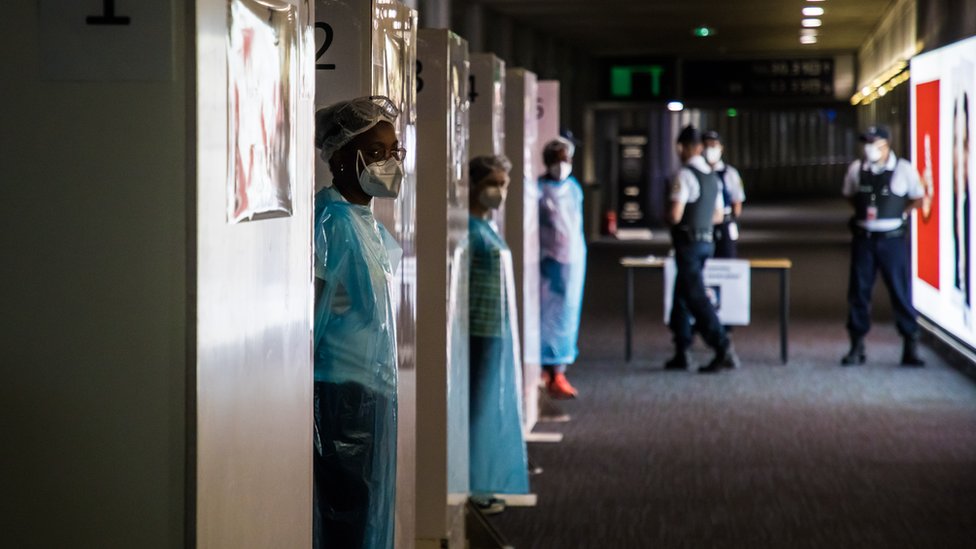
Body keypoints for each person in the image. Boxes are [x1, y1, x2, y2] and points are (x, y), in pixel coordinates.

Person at [312, 95, 404, 548]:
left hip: (372, 389)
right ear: (346, 157)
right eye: (380, 152)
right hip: (342, 394)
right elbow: (310, 320)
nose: (392, 163)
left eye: (395, 152)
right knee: (348, 517)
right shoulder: (328, 221)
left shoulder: (362, 220)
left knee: (369, 511)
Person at [467, 155, 530, 509]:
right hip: (477, 331)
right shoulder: (469, 232)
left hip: (494, 330)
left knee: (488, 404)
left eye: (504, 184)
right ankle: (474, 483)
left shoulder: (488, 227)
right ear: (474, 184)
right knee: (477, 408)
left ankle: (483, 479)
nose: (499, 191)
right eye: (494, 183)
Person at [841, 124, 926, 367]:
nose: (869, 148)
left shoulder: (903, 169)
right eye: (866, 142)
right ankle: (856, 345)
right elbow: (850, 194)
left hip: (892, 240)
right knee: (858, 291)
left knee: (900, 291)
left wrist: (901, 214)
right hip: (864, 239)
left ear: (885, 144)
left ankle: (910, 343)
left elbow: (919, 198)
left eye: (873, 142)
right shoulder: (858, 169)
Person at [665, 125, 739, 373]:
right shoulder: (711, 177)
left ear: (687, 148)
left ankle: (722, 346)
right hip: (707, 242)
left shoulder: (685, 176)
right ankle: (681, 349)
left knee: (695, 297)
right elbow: (718, 215)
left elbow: (675, 215)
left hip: (688, 243)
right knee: (681, 295)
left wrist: (671, 217)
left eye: (681, 147)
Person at [538, 137, 587, 399]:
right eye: (556, 159)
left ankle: (559, 370)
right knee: (546, 314)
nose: (561, 165)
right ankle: (546, 369)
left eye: (565, 159)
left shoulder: (574, 189)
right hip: (547, 261)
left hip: (574, 259)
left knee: (567, 315)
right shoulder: (539, 189)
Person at [703, 130, 746, 259]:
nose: (710, 148)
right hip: (703, 223)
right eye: (707, 145)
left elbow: (737, 203)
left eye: (714, 145)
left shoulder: (730, 173)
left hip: (725, 223)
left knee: (727, 258)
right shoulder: (698, 173)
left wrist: (730, 219)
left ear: (721, 148)